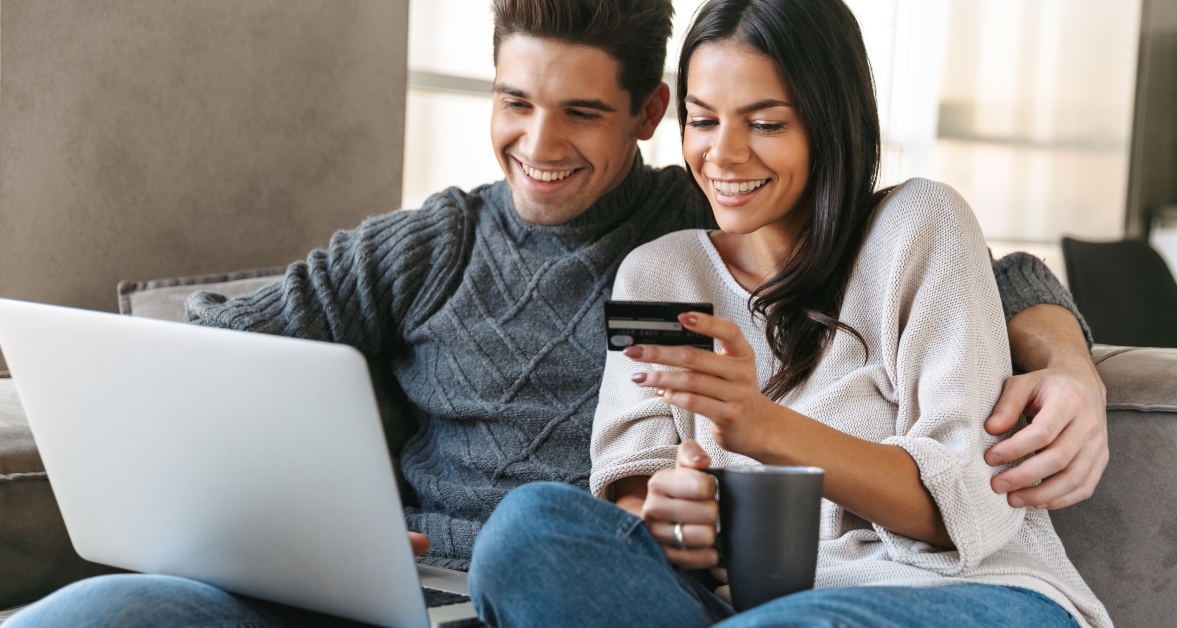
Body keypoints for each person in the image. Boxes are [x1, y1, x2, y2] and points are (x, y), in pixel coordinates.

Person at [8, 0, 1105, 625]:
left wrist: (1062, 345)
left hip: (848, 589)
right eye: (515, 103)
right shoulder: (503, 248)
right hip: (415, 585)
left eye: (582, 111)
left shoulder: (752, 216)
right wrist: (306, 518)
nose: (540, 143)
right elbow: (224, 355)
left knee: (550, 535)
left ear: (645, 113)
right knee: (86, 618)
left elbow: (958, 271)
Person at [467, 0, 1111, 626]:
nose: (723, 154)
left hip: (957, 591)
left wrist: (762, 428)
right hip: (740, 607)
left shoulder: (918, 226)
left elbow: (969, 506)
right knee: (526, 533)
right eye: (703, 120)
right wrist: (669, 516)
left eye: (766, 123)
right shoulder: (659, 273)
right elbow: (635, 483)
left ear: (830, 123)